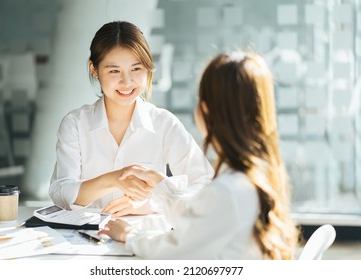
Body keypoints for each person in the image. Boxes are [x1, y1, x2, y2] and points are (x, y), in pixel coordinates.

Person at [99, 51, 300, 259]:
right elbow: (200, 217)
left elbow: (175, 251)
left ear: (206, 109)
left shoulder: (228, 190)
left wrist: (130, 235)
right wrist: (161, 186)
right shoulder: (255, 177)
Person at [48, 21, 214, 217]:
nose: (126, 82)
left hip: (144, 236)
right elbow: (61, 193)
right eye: (114, 71)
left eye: (136, 69)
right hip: (85, 237)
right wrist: (114, 179)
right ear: (94, 69)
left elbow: (206, 185)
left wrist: (153, 204)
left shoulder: (164, 123)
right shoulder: (75, 124)